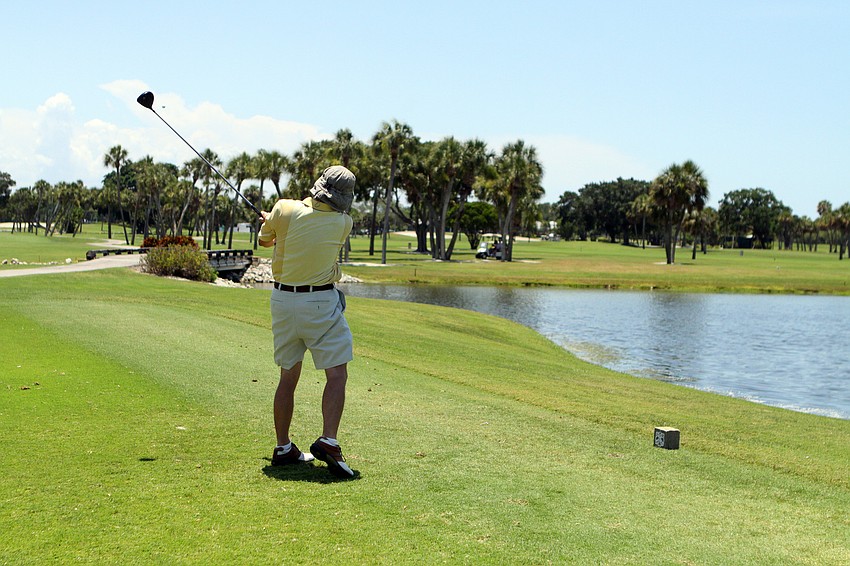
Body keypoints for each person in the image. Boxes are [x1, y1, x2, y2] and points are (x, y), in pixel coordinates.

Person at [258, 165, 356, 479]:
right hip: (320, 303)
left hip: (283, 302)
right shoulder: (344, 223)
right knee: (336, 374)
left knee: (288, 377)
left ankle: (283, 446)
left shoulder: (283, 208)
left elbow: (265, 241)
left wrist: (272, 221)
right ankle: (328, 440)